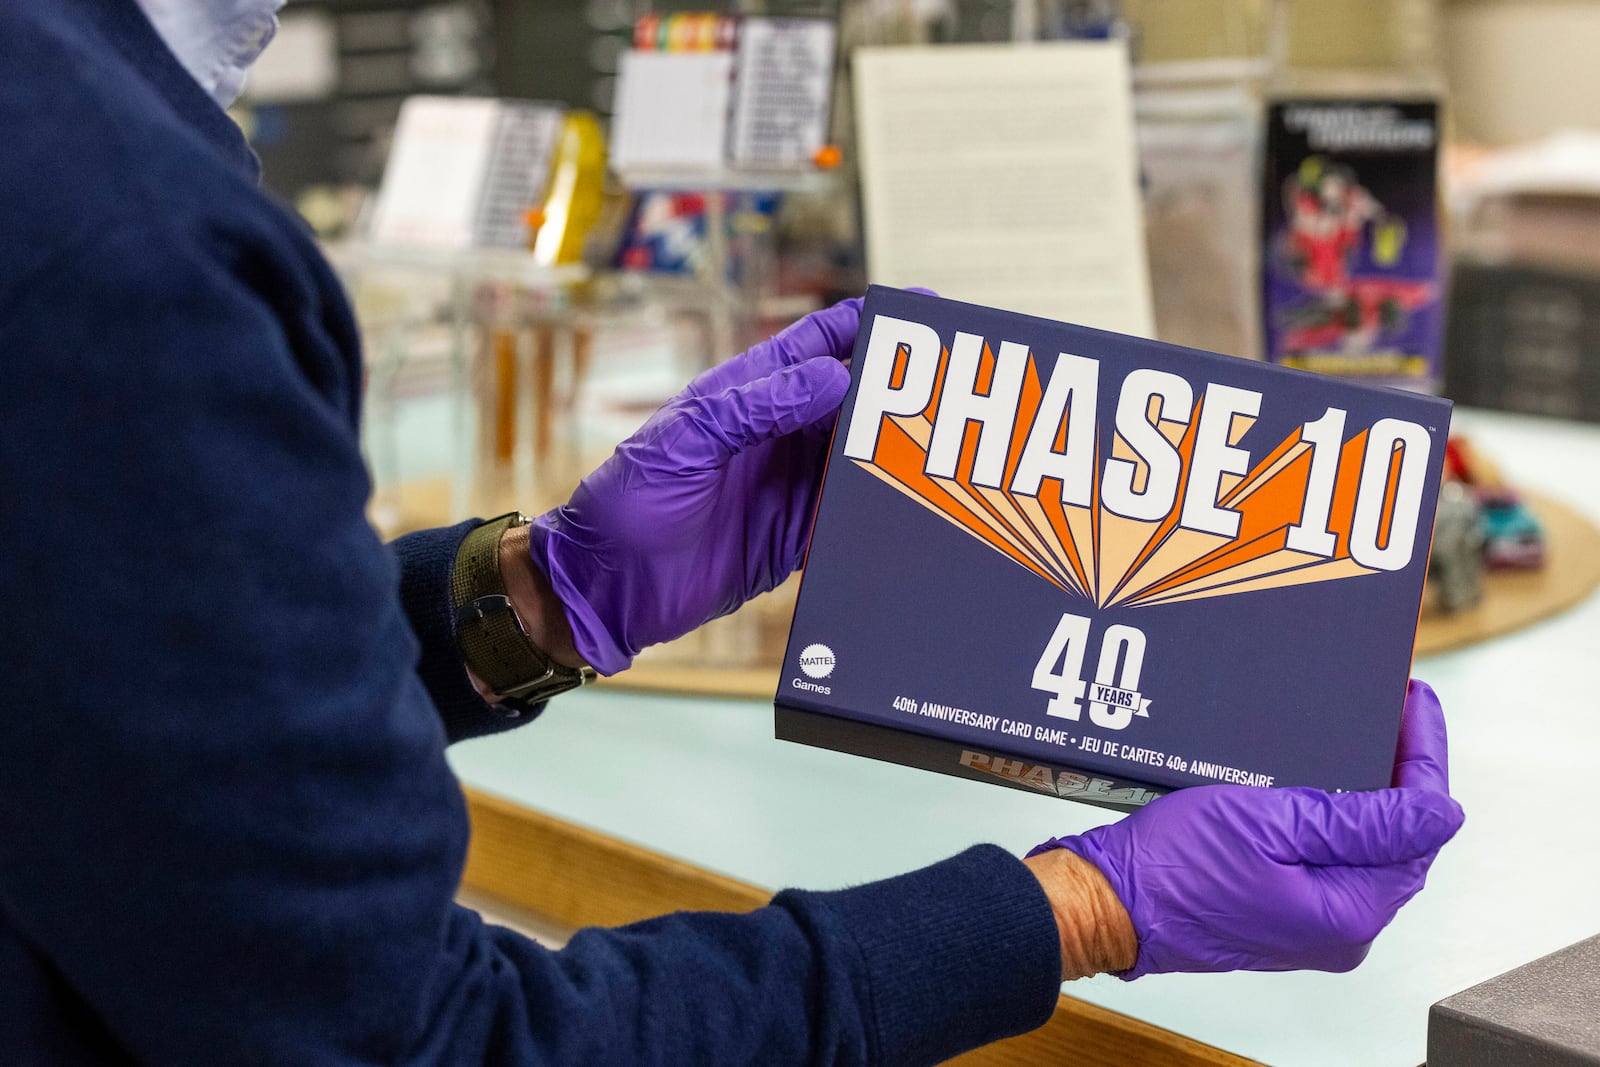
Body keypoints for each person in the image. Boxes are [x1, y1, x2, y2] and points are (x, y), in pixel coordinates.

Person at [0, 1, 1464, 1063]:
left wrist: (528, 599)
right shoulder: (125, 246)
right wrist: (1073, 910)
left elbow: (96, 706)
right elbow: (425, 1048)